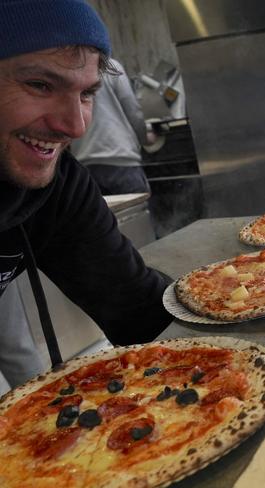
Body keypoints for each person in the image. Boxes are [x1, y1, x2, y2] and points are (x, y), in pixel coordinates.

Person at [0, 0, 172, 385]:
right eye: (40, 85)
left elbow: (139, 309)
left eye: (87, 93)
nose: (75, 126)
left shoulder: (60, 187)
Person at [71, 58, 151, 195]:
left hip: (86, 166)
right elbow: (132, 110)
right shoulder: (109, 66)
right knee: (135, 215)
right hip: (121, 162)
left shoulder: (66, 70)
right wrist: (145, 138)